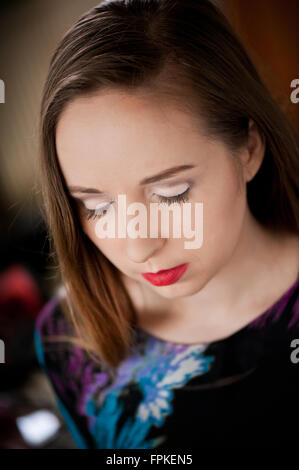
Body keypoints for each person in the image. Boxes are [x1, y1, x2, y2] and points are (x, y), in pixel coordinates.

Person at [34, 0, 299, 449]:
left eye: (171, 194)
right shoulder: (70, 339)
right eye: (95, 206)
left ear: (249, 148)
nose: (137, 247)